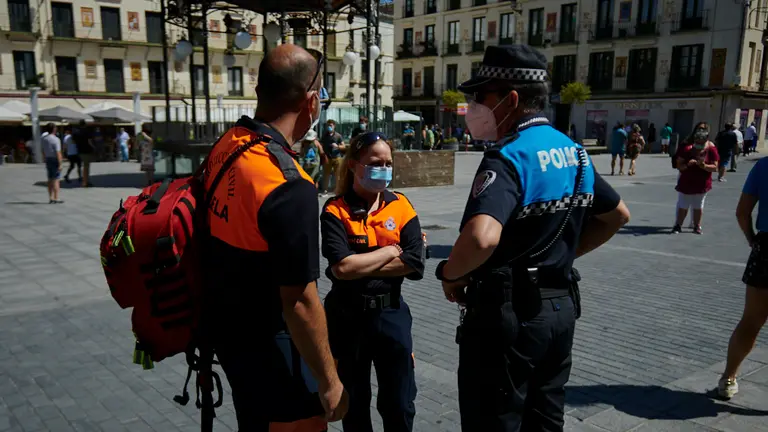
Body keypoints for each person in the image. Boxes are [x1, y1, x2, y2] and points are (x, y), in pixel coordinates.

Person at [435, 44, 630, 431]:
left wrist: (451, 274)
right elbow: (616, 215)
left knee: (494, 420)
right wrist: (563, 256)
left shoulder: (509, 157)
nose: (473, 105)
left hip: (509, 316)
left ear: (509, 100)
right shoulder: (574, 152)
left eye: (480, 96)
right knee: (544, 419)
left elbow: (482, 239)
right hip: (559, 310)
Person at [203, 44, 347, 431]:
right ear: (312, 100)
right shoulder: (287, 183)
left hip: (232, 341)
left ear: (259, 91)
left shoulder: (228, 146)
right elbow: (300, 300)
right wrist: (330, 380)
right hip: (279, 354)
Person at [321, 131, 424, 432]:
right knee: (354, 404)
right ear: (354, 165)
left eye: (388, 163)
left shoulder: (401, 205)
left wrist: (361, 261)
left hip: (390, 314)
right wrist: (392, 251)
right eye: (375, 162)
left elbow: (414, 263)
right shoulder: (335, 209)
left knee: (399, 403)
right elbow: (341, 267)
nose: (384, 168)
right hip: (347, 317)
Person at [719, 157, 768, 399]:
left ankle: (728, 378)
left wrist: (752, 240)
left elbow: (742, 212)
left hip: (767, 250)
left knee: (751, 321)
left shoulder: (764, 166)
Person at [672, 122, 719, 235]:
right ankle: (678, 225)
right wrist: (688, 165)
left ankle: (697, 225)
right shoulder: (687, 146)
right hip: (687, 180)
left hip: (702, 182)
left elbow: (715, 167)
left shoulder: (711, 148)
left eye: (703, 130)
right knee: (683, 204)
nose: (700, 132)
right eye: (699, 129)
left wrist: (704, 166)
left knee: (698, 205)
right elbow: (679, 165)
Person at [320, 119, 345, 195]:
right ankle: (325, 190)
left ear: (334, 126)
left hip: (337, 157)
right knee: (326, 174)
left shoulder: (338, 135)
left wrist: (337, 146)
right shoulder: (324, 135)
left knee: (338, 174)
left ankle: (338, 189)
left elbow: (343, 146)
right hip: (328, 157)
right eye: (328, 125)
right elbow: (321, 145)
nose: (329, 127)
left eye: (330, 125)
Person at [41, 123, 63, 204]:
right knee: (56, 179)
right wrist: (60, 163)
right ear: (54, 129)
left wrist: (44, 157)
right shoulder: (56, 139)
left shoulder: (44, 139)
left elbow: (43, 150)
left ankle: (50, 197)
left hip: (48, 159)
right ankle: (56, 197)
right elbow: (58, 152)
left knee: (50, 179)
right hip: (54, 159)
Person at [73, 120, 95, 187]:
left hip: (79, 150)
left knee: (81, 166)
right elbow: (89, 141)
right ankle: (85, 182)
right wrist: (94, 147)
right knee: (86, 167)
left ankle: (82, 179)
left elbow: (73, 141)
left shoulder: (76, 132)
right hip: (86, 150)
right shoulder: (86, 131)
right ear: (85, 125)